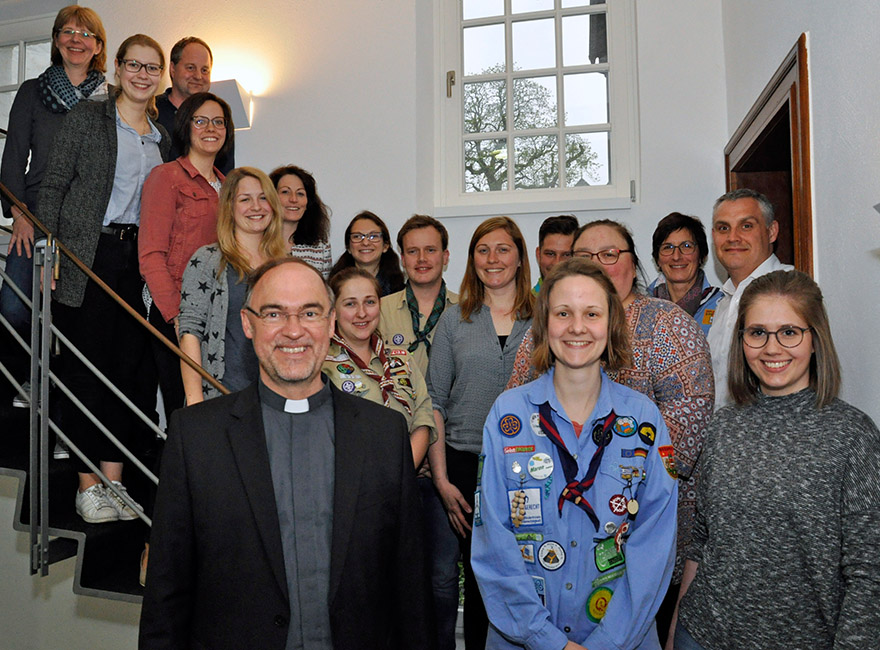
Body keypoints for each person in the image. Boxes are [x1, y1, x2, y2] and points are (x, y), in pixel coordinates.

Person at [140, 258, 432, 650]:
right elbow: (166, 594)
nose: (293, 331)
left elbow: (410, 585)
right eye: (274, 313)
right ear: (248, 324)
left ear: (330, 323)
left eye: (310, 313)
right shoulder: (196, 437)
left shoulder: (383, 433)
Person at [508, 219, 714, 644]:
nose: (598, 265)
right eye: (585, 256)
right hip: (549, 530)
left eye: (610, 254)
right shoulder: (548, 329)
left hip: (638, 543)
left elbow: (682, 442)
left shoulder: (669, 325)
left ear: (633, 262)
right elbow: (518, 417)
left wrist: (600, 485)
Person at [473, 258, 678, 649]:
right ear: (544, 324)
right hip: (523, 639)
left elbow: (655, 544)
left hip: (624, 639)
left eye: (592, 313)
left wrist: (608, 642)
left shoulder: (644, 419)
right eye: (563, 313)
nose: (577, 327)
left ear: (611, 324)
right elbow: (492, 539)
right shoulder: (507, 415)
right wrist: (546, 640)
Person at [671, 270, 880, 650]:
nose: (772, 348)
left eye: (789, 332)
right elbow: (702, 542)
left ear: (815, 339)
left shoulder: (852, 435)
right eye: (757, 333)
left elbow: (869, 571)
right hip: (701, 634)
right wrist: (674, 631)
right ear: (742, 340)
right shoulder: (724, 425)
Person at [38, 34, 170, 523]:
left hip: (139, 262)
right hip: (86, 254)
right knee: (84, 373)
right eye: (134, 65)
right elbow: (52, 186)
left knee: (129, 374)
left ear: (162, 76)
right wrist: (51, 254)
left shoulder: (164, 136)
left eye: (152, 68)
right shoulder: (86, 118)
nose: (142, 74)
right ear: (116, 67)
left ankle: (114, 482)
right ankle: (86, 483)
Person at [427, 216, 534, 649]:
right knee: (479, 578)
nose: (493, 259)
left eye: (503, 248)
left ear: (520, 257)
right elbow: (433, 401)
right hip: (465, 461)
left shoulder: (545, 318)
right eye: (483, 250)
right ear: (472, 260)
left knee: (529, 574)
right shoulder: (455, 321)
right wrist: (441, 480)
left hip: (531, 465)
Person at [0, 5, 107, 413]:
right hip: (37, 213)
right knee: (14, 307)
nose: (76, 39)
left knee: (73, 311)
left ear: (98, 46)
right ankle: (32, 372)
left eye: (86, 33)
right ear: (56, 39)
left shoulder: (108, 100)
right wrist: (20, 215)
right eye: (68, 31)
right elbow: (13, 159)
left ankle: (59, 392)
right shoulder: (31, 91)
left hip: (87, 219)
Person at [379, 214, 460, 650]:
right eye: (413, 250)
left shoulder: (469, 309)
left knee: (444, 578)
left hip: (444, 467)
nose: (422, 258)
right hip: (395, 466)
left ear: (446, 256)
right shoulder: (378, 309)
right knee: (393, 575)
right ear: (402, 257)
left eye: (431, 250)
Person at [139, 91, 234, 420]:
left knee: (216, 408)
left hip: (220, 312)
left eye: (219, 122)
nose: (211, 128)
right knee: (186, 409)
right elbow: (150, 254)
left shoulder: (230, 188)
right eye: (201, 120)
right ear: (186, 126)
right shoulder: (165, 178)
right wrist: (175, 313)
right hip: (176, 313)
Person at [177, 167, 287, 404]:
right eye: (245, 199)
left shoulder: (286, 267)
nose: (256, 207)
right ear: (229, 207)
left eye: (263, 198)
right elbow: (189, 335)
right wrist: (196, 402)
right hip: (221, 397)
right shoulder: (206, 260)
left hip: (277, 399)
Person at [322, 267, 434, 467]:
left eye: (370, 302)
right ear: (333, 312)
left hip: (404, 476)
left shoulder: (403, 359)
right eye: (350, 304)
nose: (362, 313)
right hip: (349, 477)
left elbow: (422, 420)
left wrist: (401, 472)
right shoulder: (321, 366)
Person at [706, 188, 793, 410]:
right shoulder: (722, 302)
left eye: (746, 226)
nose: (733, 237)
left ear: (771, 231)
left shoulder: (792, 290)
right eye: (723, 228)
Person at [154, 36, 234, 174]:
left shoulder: (219, 118)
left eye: (204, 70)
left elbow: (226, 176)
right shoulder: (151, 112)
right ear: (172, 69)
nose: (198, 76)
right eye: (190, 68)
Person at [647, 212, 721, 335]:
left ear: (701, 255)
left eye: (686, 246)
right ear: (657, 259)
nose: (676, 256)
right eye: (668, 247)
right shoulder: (642, 306)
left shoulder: (721, 306)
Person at [269, 164, 333, 278]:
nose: (293, 199)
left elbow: (325, 291)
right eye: (285, 192)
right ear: (271, 197)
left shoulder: (320, 247)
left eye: (300, 193)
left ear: (308, 202)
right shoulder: (258, 242)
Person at [329, 211, 405, 296]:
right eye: (357, 236)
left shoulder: (400, 287)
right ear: (348, 247)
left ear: (385, 246)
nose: (365, 243)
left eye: (373, 236)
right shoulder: (333, 286)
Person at [532, 214, 578, 294]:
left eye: (566, 255)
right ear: (538, 255)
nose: (557, 263)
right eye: (550, 254)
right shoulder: (526, 305)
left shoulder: (593, 300)